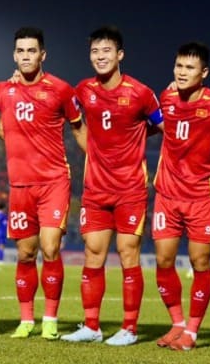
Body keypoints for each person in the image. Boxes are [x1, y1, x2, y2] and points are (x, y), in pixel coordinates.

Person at [60, 26, 163, 346]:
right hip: (95, 188)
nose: (100, 56)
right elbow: (70, 116)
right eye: (95, 51)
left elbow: (165, 126)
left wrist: (139, 138)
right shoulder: (83, 89)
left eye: (106, 51)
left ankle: (129, 328)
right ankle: (92, 326)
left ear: (120, 55)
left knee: (128, 252)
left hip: (130, 188)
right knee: (93, 252)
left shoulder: (141, 93)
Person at [0, 27, 85, 340]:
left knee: (50, 247)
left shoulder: (61, 89)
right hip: (19, 186)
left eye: (32, 51)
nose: (26, 56)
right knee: (25, 254)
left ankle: (50, 319)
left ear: (43, 55)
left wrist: (98, 160)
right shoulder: (2, 90)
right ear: (14, 55)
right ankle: (27, 320)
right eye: (21, 51)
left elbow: (79, 128)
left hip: (54, 181)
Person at [151, 42, 210, 351]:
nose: (182, 73)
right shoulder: (167, 97)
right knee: (163, 260)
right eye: (179, 66)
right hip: (167, 194)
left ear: (204, 72)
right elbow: (149, 122)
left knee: (200, 261)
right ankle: (177, 323)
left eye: (190, 68)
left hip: (200, 197)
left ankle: (192, 332)